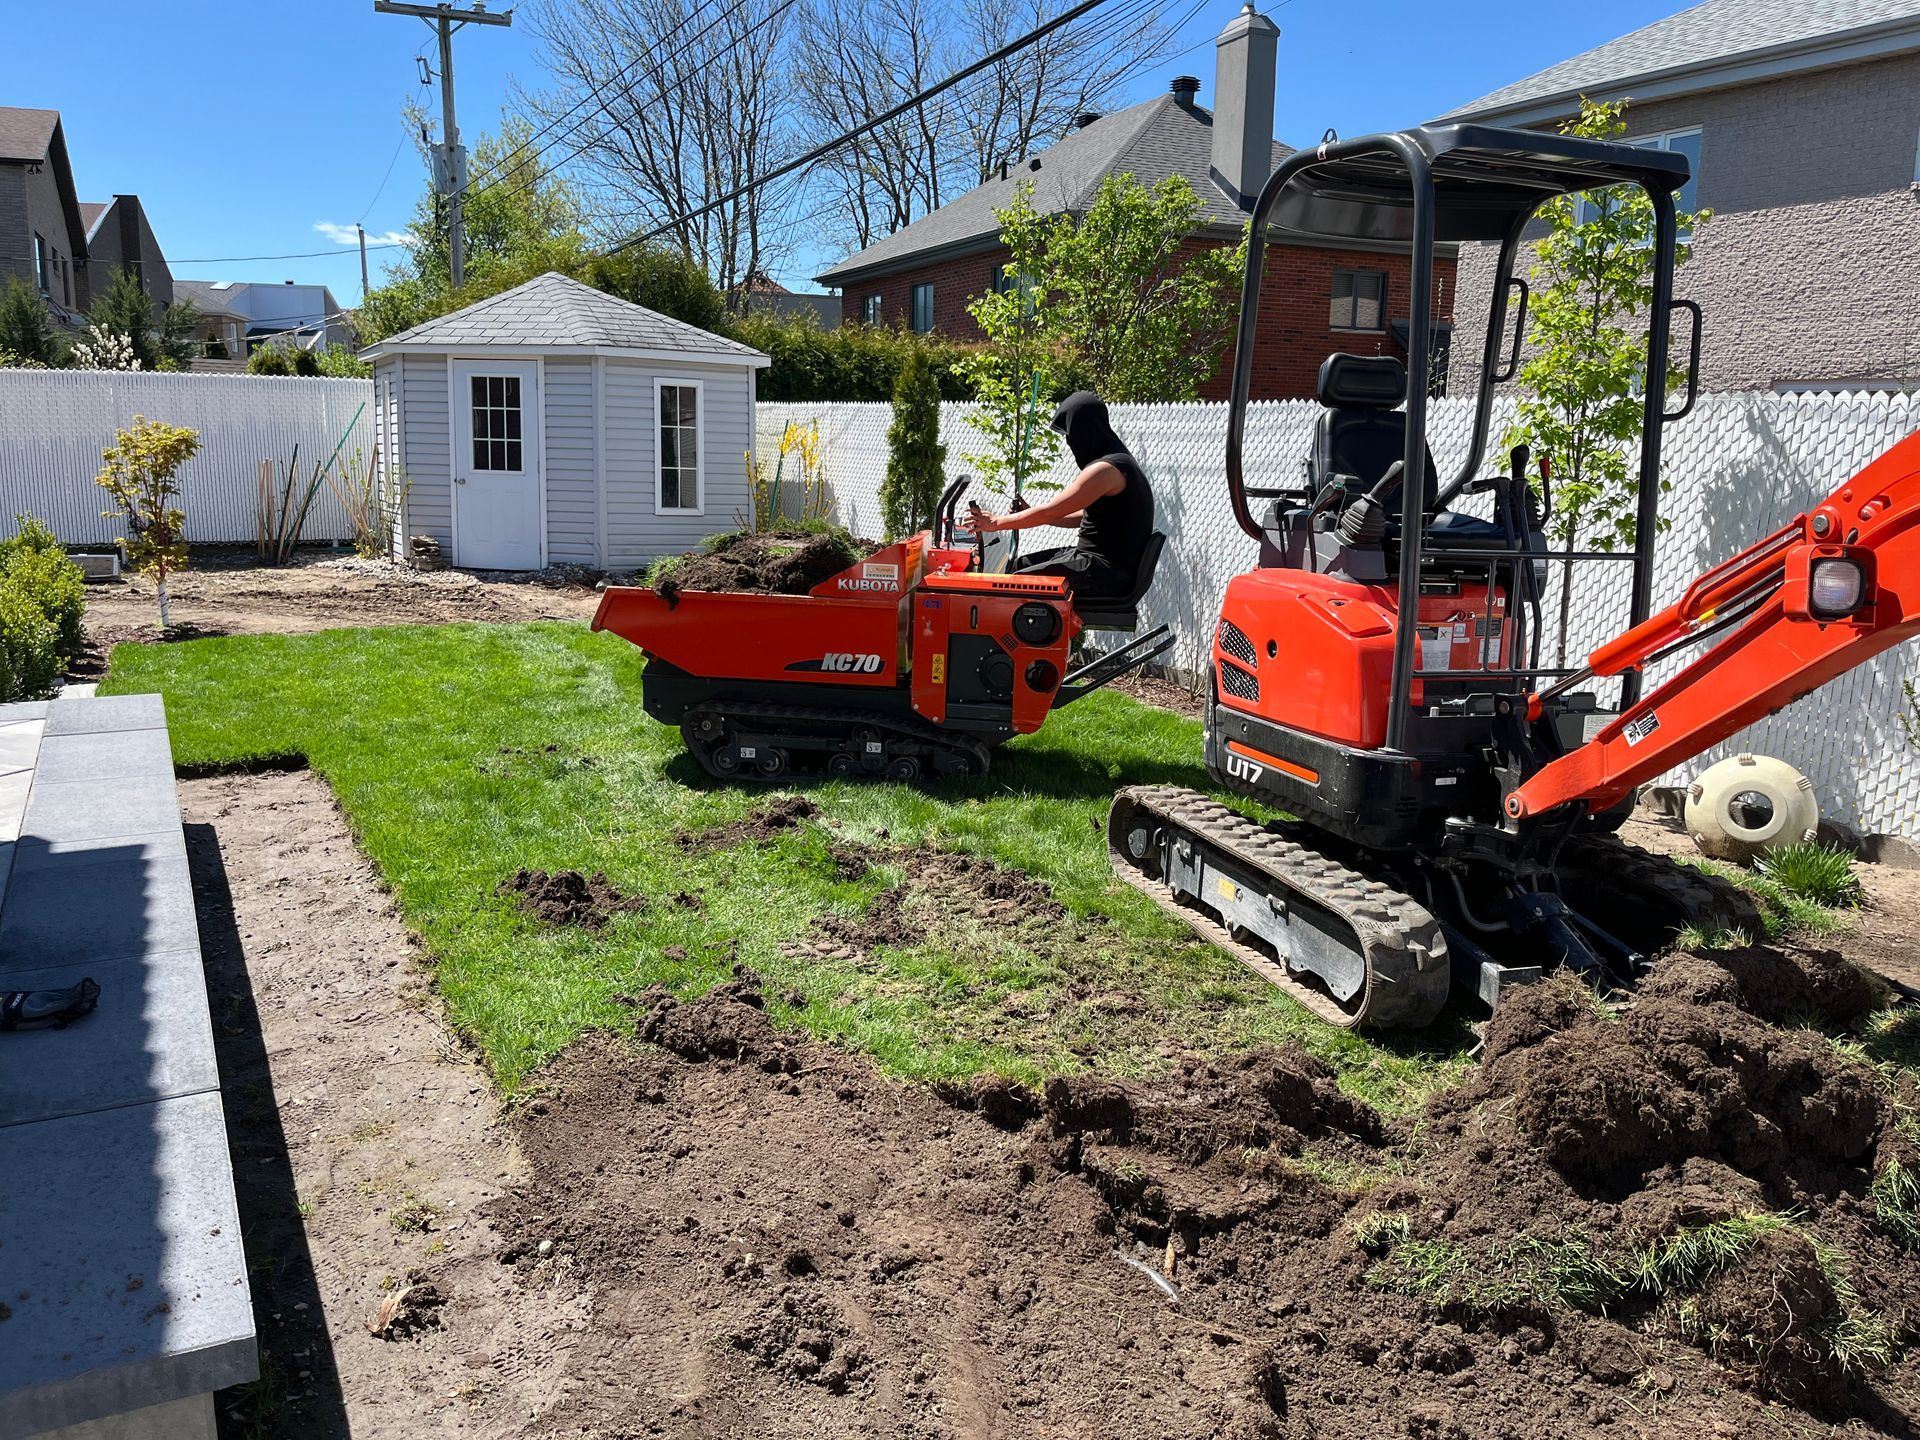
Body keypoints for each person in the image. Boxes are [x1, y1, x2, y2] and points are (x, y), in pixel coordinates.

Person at [963, 391, 1154, 600]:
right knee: (1020, 565)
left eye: (1069, 434)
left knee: (1016, 585)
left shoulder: (1105, 470)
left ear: (1082, 431)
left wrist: (996, 522)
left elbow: (1049, 511)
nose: (1069, 442)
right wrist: (1030, 514)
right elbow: (1083, 517)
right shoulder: (1118, 461)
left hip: (1105, 573)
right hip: (1097, 565)